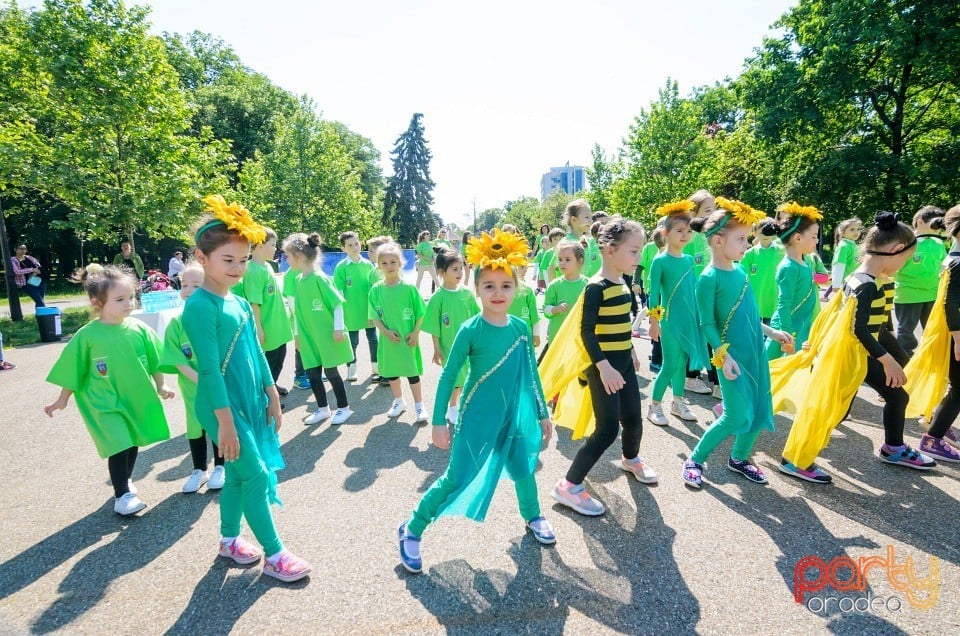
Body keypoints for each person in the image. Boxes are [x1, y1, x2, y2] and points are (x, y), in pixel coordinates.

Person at [398, 229, 554, 574]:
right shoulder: (471, 329)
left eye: (506, 286)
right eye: (489, 286)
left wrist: (542, 413)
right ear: (477, 288)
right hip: (476, 417)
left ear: (518, 287)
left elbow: (531, 374)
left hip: (513, 415)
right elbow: (448, 376)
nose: (498, 293)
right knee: (457, 478)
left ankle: (533, 515)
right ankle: (413, 527)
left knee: (524, 468)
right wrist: (439, 421)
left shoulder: (520, 329)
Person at [181, 194, 311, 583]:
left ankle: (229, 540)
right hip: (221, 407)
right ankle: (275, 555)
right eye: (228, 260)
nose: (238, 268)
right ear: (201, 258)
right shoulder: (200, 306)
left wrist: (272, 394)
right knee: (254, 475)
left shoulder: (236, 301)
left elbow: (254, 352)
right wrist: (224, 423)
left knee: (238, 476)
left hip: (250, 400)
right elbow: (207, 370)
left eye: (243, 259)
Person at [772, 211, 936, 484]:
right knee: (830, 409)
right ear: (895, 251)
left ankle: (893, 448)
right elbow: (858, 330)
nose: (903, 267)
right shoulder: (866, 285)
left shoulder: (867, 279)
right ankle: (794, 460)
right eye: (905, 261)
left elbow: (876, 327)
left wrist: (901, 358)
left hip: (861, 352)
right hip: (848, 355)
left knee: (896, 396)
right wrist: (888, 361)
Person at [541, 219, 656, 517]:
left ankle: (631, 459)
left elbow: (620, 325)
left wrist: (630, 351)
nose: (638, 258)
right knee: (606, 430)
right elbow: (587, 333)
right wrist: (604, 367)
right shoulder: (596, 287)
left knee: (633, 418)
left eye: (640, 250)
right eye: (633, 251)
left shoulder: (623, 284)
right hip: (602, 368)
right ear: (608, 250)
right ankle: (568, 485)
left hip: (622, 366)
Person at [44, 264, 174, 515]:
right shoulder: (87, 336)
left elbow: (155, 361)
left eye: (131, 297)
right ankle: (122, 496)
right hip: (103, 401)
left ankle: (124, 481)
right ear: (98, 303)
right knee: (119, 442)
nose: (129, 303)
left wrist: (162, 384)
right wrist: (62, 399)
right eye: (120, 299)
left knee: (133, 439)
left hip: (135, 397)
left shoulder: (139, 329)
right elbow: (74, 369)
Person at [681, 200, 793, 488]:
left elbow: (750, 316)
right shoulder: (708, 278)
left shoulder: (741, 271)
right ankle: (695, 458)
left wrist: (772, 333)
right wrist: (723, 356)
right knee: (733, 416)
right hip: (729, 358)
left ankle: (739, 458)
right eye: (741, 239)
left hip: (754, 353)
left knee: (756, 409)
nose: (748, 243)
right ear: (718, 241)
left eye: (747, 238)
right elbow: (706, 324)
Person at [160, 261, 225, 493]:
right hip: (193, 389)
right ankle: (199, 469)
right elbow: (177, 359)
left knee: (218, 423)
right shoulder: (177, 323)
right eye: (184, 284)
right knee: (195, 427)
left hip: (219, 386)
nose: (188, 290)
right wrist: (200, 379)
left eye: (196, 285)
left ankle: (221, 466)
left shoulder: (217, 317)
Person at [903, 203, 960, 462]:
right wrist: (958, 339)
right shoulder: (957, 261)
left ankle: (937, 424)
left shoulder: (952, 256)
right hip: (953, 334)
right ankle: (933, 438)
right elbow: (951, 303)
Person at [646, 200, 710, 426]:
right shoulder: (660, 260)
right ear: (666, 232)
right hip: (670, 321)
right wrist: (654, 322)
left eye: (688, 231)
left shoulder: (690, 260)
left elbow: (692, 292)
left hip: (689, 320)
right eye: (679, 231)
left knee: (681, 362)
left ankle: (678, 402)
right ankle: (654, 405)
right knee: (671, 364)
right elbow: (654, 295)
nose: (685, 235)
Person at [283, 232, 354, 426]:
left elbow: (337, 304)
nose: (286, 259)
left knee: (331, 373)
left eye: (287, 256)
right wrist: (297, 334)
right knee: (313, 375)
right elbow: (297, 311)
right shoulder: (298, 281)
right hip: (308, 336)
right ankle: (323, 409)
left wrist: (338, 328)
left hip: (326, 335)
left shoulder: (320, 278)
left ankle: (344, 408)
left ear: (298, 256)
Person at [369, 242, 428, 422]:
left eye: (393, 262)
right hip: (388, 341)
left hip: (407, 339)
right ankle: (398, 401)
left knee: (411, 373)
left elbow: (421, 313)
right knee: (392, 372)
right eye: (384, 263)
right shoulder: (376, 289)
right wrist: (385, 331)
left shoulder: (409, 289)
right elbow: (373, 316)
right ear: (379, 265)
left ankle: (420, 406)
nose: (389, 266)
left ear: (400, 263)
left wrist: (415, 333)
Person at [422, 248, 480, 426]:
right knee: (454, 376)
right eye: (454, 269)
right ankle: (452, 407)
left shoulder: (467, 293)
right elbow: (433, 326)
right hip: (449, 346)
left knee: (465, 376)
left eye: (461, 268)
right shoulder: (438, 297)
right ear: (441, 272)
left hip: (468, 345)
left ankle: (459, 405)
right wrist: (437, 349)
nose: (460, 273)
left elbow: (476, 318)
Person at [765, 203, 823, 360]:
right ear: (797, 238)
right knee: (774, 375)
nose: (816, 240)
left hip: (801, 327)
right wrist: (787, 336)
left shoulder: (804, 262)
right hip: (787, 332)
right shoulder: (789, 267)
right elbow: (784, 304)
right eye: (813, 236)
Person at [241, 227, 293, 397]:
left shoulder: (267, 266)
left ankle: (273, 386)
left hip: (278, 325)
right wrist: (259, 329)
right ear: (259, 245)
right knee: (269, 362)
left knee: (280, 359)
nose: (275, 249)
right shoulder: (253, 271)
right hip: (267, 326)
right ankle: (265, 396)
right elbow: (254, 303)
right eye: (272, 244)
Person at [894, 206, 946, 357]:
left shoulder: (938, 244)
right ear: (920, 222)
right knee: (906, 332)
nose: (939, 226)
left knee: (932, 330)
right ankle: (904, 360)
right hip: (908, 295)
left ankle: (930, 359)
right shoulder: (907, 244)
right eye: (935, 223)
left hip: (932, 295)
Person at [684, 190, 719, 396]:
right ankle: (691, 377)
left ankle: (717, 382)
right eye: (707, 210)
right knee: (698, 337)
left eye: (713, 209)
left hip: (713, 294)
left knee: (712, 337)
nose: (711, 213)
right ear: (694, 212)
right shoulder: (689, 237)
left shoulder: (713, 235)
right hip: (694, 297)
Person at [334, 231, 378, 382]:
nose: (354, 247)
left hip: (368, 311)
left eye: (356, 243)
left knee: (373, 339)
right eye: (349, 245)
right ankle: (351, 369)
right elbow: (338, 295)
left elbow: (374, 289)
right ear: (343, 249)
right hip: (350, 313)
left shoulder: (368, 265)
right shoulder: (341, 268)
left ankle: (376, 367)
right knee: (352, 342)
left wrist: (375, 310)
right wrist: (339, 320)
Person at [541, 239, 588, 362]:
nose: (562, 263)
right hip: (558, 336)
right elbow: (545, 309)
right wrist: (555, 309)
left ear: (580, 262)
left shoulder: (588, 284)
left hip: (580, 337)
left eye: (568, 260)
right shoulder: (555, 285)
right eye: (560, 259)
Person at [740, 220, 785, 324]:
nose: (765, 235)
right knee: (755, 333)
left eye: (768, 232)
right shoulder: (749, 254)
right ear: (754, 234)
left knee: (772, 333)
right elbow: (742, 277)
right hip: (755, 301)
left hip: (774, 300)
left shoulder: (782, 251)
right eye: (761, 233)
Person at [822, 218, 864, 301]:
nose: (856, 232)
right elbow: (838, 266)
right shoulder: (844, 246)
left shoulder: (853, 244)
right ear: (842, 232)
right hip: (846, 284)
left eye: (858, 229)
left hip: (855, 282)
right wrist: (836, 285)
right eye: (852, 229)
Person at [507, 263, 541, 348]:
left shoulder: (527, 289)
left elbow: (534, 315)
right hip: (505, 334)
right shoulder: (497, 292)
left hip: (525, 334)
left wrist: (536, 334)